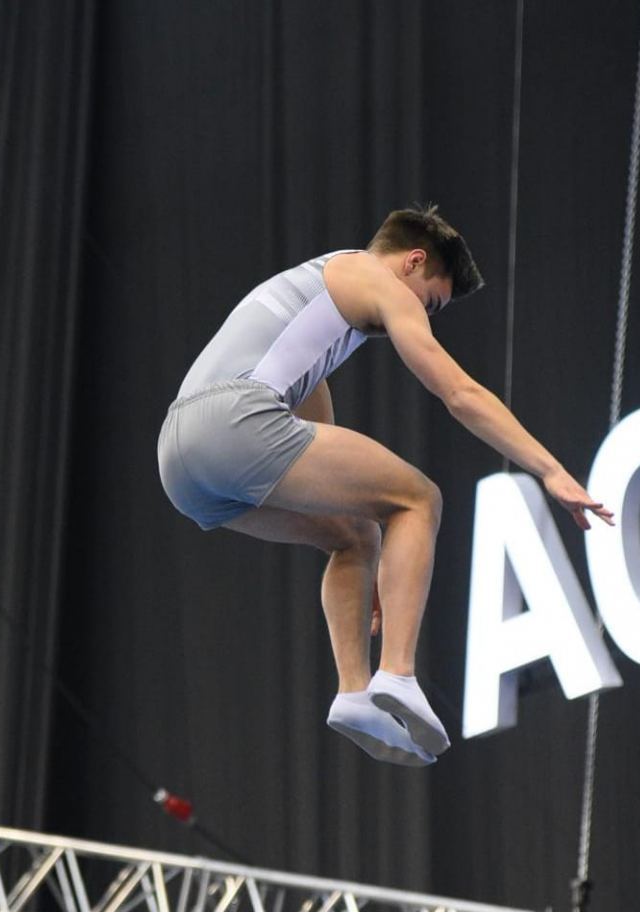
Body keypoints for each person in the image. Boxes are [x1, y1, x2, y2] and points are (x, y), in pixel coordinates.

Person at [157, 205, 613, 767]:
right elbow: (460, 394)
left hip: (181, 464)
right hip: (231, 420)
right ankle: (396, 674)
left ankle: (354, 693)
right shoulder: (375, 277)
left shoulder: (316, 308)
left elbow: (323, 449)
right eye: (429, 301)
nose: (422, 315)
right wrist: (549, 469)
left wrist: (379, 565)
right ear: (412, 262)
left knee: (357, 534)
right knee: (419, 498)